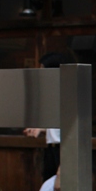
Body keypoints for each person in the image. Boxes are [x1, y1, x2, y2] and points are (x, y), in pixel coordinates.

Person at [23, 52, 65, 180]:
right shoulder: (50, 92)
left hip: (63, 148)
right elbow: (56, 125)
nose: (40, 73)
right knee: (49, 183)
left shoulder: (65, 92)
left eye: (43, 69)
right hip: (51, 147)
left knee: (61, 186)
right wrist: (41, 129)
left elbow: (68, 126)